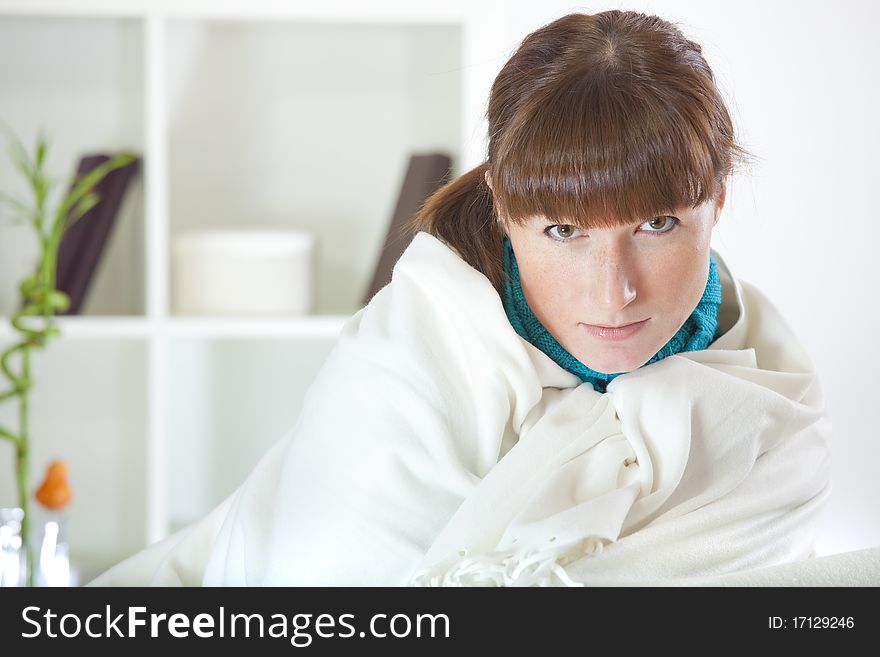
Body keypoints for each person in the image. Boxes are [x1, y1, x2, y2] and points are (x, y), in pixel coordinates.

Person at [90, 10, 831, 587]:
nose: (616, 291)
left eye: (658, 223)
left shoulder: (773, 409)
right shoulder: (409, 362)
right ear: (506, 212)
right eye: (565, 230)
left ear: (718, 203)